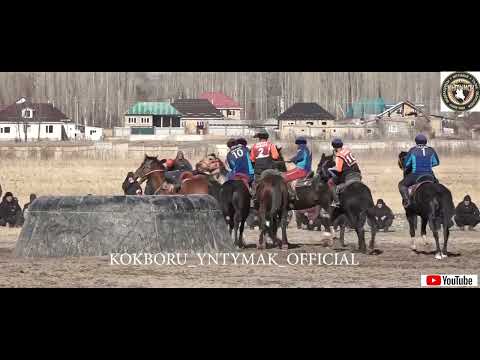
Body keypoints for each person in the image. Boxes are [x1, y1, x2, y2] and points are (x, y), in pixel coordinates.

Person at [398, 134, 440, 208]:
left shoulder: (413, 150)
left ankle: (407, 201)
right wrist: (428, 165)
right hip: (430, 175)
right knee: (438, 185)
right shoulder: (431, 150)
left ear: (416, 142)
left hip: (416, 175)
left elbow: (406, 164)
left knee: (401, 185)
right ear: (425, 141)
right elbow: (436, 162)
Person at [328, 138, 362, 207]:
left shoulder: (339, 155)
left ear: (334, 148)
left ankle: (336, 202)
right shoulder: (347, 151)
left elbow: (339, 170)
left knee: (330, 182)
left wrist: (330, 169)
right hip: (358, 174)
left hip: (348, 176)